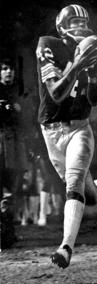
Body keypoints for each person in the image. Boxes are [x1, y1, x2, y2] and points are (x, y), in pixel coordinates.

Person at [35, 4, 97, 269]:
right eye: (73, 23)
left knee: (74, 184)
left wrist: (92, 74)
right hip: (52, 130)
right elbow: (55, 93)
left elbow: (96, 98)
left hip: (80, 127)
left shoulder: (96, 52)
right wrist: (78, 65)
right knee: (90, 197)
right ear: (62, 27)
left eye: (82, 23)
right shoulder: (48, 44)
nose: (79, 28)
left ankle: (66, 247)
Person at [0, 58, 28, 224]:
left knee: (15, 181)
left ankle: (8, 224)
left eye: (11, 69)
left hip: (17, 141)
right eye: (4, 69)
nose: (8, 72)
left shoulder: (19, 90)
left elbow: (27, 116)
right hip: (2, 139)